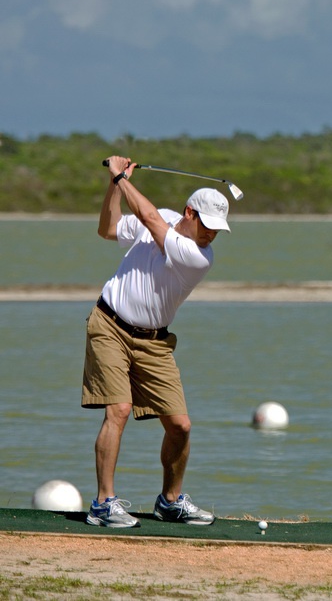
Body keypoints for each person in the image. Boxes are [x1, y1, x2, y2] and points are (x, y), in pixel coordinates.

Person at [82, 155, 231, 528]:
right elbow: (108, 229)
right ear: (189, 212)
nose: (211, 234)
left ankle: (170, 501)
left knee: (180, 426)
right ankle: (103, 504)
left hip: (154, 343)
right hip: (110, 325)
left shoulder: (198, 257)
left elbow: (149, 218)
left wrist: (121, 178)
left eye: (218, 229)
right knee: (118, 410)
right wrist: (113, 187)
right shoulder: (163, 217)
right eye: (207, 225)